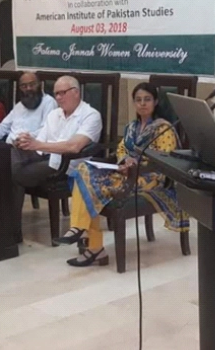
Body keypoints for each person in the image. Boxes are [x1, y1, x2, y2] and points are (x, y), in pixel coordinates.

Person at [56, 82, 188, 267]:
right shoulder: (132, 126)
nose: (142, 104)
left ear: (156, 102)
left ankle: (92, 245)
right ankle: (85, 236)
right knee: (83, 171)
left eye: (147, 99)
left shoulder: (163, 128)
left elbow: (165, 160)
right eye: (138, 100)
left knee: (89, 185)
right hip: (127, 173)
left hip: (152, 178)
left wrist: (136, 166)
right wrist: (125, 161)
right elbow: (121, 149)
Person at [11, 75, 103, 243]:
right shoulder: (54, 114)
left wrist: (36, 145)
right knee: (10, 154)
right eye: (56, 94)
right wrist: (25, 140)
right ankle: (10, 228)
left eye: (62, 93)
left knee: (14, 176)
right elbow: (40, 138)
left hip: (67, 166)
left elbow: (73, 147)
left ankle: (11, 231)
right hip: (45, 158)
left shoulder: (91, 115)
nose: (58, 98)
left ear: (76, 92)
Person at [0, 72, 57, 144]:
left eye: (32, 85)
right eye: (24, 86)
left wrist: (26, 137)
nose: (28, 88)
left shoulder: (49, 102)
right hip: (10, 148)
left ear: (40, 84)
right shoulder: (19, 105)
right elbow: (3, 127)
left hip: (32, 148)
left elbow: (46, 130)